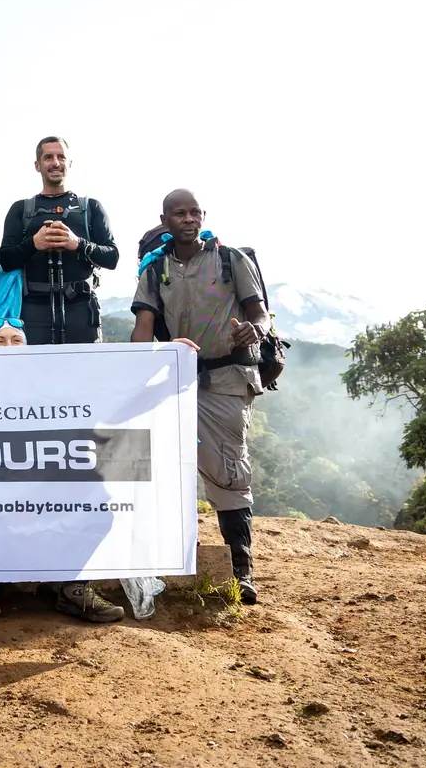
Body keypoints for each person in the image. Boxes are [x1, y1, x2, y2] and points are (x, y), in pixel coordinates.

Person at [130, 189, 270, 606]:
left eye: (194, 212)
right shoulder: (155, 271)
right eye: (179, 213)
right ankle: (158, 558)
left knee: (227, 468)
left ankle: (240, 570)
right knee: (154, 468)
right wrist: (132, 370)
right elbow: (144, 325)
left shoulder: (230, 259)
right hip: (173, 381)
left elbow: (259, 311)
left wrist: (255, 330)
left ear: (202, 216)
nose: (188, 219)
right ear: (165, 220)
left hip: (226, 377)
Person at [0, 317, 125, 629]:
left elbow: (118, 390)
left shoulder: (53, 392)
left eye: (16, 341)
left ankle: (72, 588)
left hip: (42, 487)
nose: (9, 347)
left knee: (97, 503)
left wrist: (172, 357)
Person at [0, 136, 118, 345]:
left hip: (81, 307)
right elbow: (6, 260)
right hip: (33, 308)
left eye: (61, 157)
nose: (55, 163)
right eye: (48, 157)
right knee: (35, 375)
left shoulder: (90, 208)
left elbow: (112, 258)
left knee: (84, 374)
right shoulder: (21, 209)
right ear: (37, 165)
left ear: (69, 163)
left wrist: (78, 243)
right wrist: (34, 244)